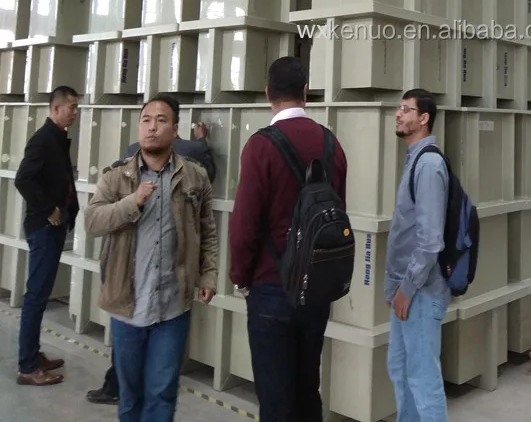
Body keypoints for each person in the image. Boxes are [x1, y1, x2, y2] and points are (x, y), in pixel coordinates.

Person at [84, 95, 218, 422]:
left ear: (175, 129)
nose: (152, 127)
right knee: (130, 395)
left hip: (172, 307)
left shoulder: (195, 176)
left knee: (162, 393)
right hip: (127, 306)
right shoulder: (116, 177)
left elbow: (207, 231)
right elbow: (92, 222)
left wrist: (208, 275)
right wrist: (133, 202)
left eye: (161, 120)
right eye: (146, 120)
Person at [229, 56, 348, 422]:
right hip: (317, 287)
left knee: (275, 398)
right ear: (305, 93)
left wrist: (240, 278)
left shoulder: (261, 146)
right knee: (307, 388)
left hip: (271, 287)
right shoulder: (332, 144)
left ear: (268, 93)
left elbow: (245, 223)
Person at [385, 88, 450, 422]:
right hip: (406, 290)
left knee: (423, 381)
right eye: (399, 108)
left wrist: (407, 289)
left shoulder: (428, 165)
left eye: (406, 109)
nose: (399, 114)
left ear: (424, 118)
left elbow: (429, 242)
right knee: (400, 368)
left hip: (420, 292)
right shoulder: (415, 160)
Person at [13, 85, 80, 386]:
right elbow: (23, 179)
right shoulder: (43, 140)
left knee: (39, 296)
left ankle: (33, 353)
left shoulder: (57, 139)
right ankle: (28, 367)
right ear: (55, 108)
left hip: (53, 226)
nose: (75, 112)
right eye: (71, 107)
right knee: (36, 297)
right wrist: (49, 208)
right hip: (43, 227)